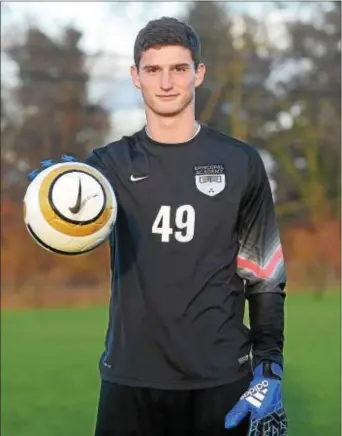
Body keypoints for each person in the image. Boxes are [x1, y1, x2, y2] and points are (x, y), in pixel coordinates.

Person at [29, 17, 287, 436]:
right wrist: (51, 195)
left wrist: (270, 364)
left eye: (179, 68)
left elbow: (265, 276)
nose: (166, 82)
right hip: (130, 379)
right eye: (153, 70)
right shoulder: (106, 167)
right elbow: (63, 219)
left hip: (221, 379)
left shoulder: (241, 163)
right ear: (135, 77)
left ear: (198, 73)